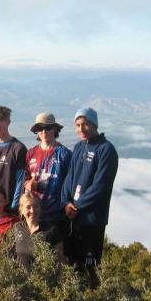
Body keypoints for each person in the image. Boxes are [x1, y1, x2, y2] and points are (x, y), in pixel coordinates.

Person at [61, 107, 118, 287]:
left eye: (85, 124)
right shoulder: (78, 147)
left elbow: (101, 185)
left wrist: (77, 206)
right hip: (73, 218)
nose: (81, 129)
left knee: (90, 268)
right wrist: (65, 202)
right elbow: (69, 178)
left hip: (92, 220)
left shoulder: (106, 149)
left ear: (94, 124)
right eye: (77, 125)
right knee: (72, 265)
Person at [23, 112, 72, 223]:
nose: (44, 132)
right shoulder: (30, 153)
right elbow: (25, 178)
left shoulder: (65, 154)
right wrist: (28, 184)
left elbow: (70, 183)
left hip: (57, 215)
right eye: (40, 128)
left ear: (55, 129)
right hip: (33, 213)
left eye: (48, 127)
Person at [11, 192, 65, 272]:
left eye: (36, 206)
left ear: (40, 209)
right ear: (21, 210)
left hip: (44, 281)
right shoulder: (16, 228)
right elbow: (10, 257)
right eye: (28, 207)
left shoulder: (52, 230)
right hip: (19, 282)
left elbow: (60, 259)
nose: (32, 210)